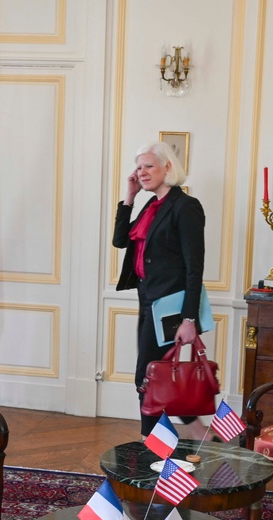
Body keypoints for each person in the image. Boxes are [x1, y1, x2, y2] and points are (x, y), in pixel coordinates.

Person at [113, 142, 208, 439]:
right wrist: (129, 196)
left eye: (148, 166)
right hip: (148, 303)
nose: (141, 172)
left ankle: (151, 445)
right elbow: (120, 240)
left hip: (171, 308)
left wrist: (189, 319)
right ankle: (197, 432)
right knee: (158, 376)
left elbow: (195, 268)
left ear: (168, 168)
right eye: (138, 166)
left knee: (149, 376)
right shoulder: (151, 206)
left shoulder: (186, 206)